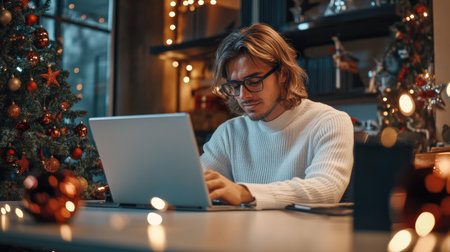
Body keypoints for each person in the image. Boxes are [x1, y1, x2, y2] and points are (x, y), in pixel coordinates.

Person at [201, 23, 354, 210]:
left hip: (305, 238)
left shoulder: (329, 122)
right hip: (243, 236)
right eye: (235, 86)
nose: (244, 95)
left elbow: (326, 189)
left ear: (282, 74)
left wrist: (244, 192)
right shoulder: (229, 133)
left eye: (254, 81)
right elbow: (197, 184)